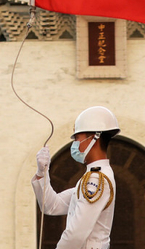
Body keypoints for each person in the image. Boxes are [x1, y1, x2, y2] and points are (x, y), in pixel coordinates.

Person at [32, 106, 119, 249]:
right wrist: (42, 173)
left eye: (77, 138)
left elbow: (76, 235)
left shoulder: (97, 179)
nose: (75, 144)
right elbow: (51, 205)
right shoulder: (92, 177)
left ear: (94, 138)